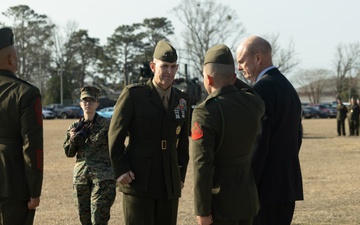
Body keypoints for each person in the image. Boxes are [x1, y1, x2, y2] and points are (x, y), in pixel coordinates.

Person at [108, 40, 190, 225]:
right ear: (153, 66)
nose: (168, 72)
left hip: (169, 180)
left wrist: (180, 175)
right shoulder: (134, 95)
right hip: (139, 178)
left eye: (172, 67)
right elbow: (115, 135)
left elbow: (183, 144)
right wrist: (121, 169)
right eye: (164, 66)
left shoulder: (182, 100)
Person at [191, 44, 265, 225]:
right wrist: (230, 79)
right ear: (234, 77)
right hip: (246, 199)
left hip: (220, 205)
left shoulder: (205, 112)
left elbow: (202, 164)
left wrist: (202, 209)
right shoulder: (253, 104)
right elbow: (250, 91)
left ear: (207, 78)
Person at [236, 35, 303, 225]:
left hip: (265, 190)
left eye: (241, 61)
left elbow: (258, 143)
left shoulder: (261, 90)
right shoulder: (289, 88)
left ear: (257, 58)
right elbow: (297, 137)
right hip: (286, 186)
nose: (239, 68)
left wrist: (249, 185)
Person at [0, 27, 44, 225]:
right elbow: (32, 147)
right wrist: (34, 190)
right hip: (13, 185)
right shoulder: (26, 93)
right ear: (11, 59)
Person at [63, 86, 116, 225]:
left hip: (103, 178)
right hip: (81, 178)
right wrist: (73, 139)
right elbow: (69, 153)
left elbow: (117, 149)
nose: (88, 104)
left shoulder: (107, 125)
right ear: (80, 103)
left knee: (99, 218)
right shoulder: (74, 127)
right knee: (84, 219)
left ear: (97, 103)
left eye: (91, 100)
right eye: (84, 100)